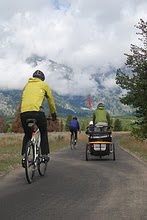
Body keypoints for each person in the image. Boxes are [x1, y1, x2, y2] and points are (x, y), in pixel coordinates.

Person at [20, 70, 57, 167]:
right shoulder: (44, 85)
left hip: (24, 113)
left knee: (27, 134)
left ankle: (24, 157)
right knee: (43, 131)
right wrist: (53, 114)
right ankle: (45, 154)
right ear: (42, 79)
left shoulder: (26, 85)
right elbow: (51, 101)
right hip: (37, 113)